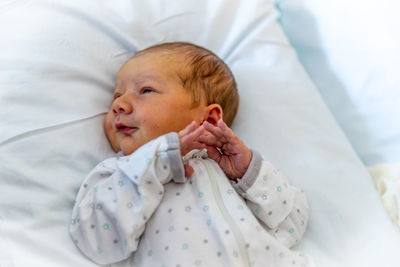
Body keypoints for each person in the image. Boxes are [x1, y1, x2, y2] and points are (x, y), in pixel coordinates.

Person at [69, 42, 312, 267]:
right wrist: (156, 161)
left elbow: (292, 223)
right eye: (116, 95)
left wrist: (248, 172)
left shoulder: (230, 172)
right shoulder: (119, 173)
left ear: (209, 119)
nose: (119, 104)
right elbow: (97, 242)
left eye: (146, 90)